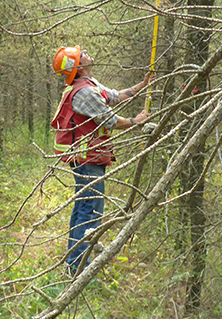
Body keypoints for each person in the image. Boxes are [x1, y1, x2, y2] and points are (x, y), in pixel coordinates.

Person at [50, 46, 153, 275]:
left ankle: (74, 262)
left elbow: (114, 96)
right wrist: (135, 122)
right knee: (90, 210)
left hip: (89, 158)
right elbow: (110, 120)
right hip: (87, 160)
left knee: (83, 208)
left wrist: (141, 86)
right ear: (77, 66)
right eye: (81, 54)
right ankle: (79, 267)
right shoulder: (84, 92)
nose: (85, 52)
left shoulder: (90, 84)